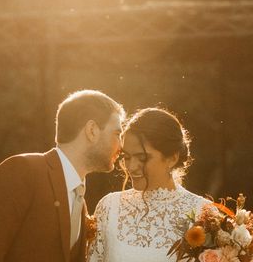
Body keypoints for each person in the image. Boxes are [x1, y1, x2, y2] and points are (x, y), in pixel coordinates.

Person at [0, 90, 125, 262]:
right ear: (92, 130)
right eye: (117, 134)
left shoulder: (80, 200)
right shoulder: (22, 172)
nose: (122, 145)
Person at [88, 107, 211, 262]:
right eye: (127, 156)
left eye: (142, 158)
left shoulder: (204, 214)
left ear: (172, 158)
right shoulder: (109, 207)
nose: (131, 166)